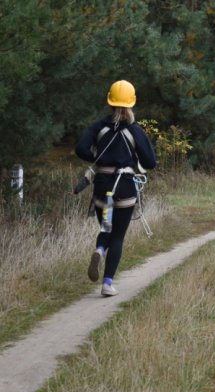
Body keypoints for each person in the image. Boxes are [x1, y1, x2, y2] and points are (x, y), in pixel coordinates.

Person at [75, 80, 156, 296]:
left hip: (102, 187)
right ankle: (107, 283)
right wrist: (133, 161)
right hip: (125, 187)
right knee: (118, 236)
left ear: (110, 101)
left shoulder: (98, 126)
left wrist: (98, 158)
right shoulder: (135, 130)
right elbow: (150, 162)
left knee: (106, 229)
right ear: (131, 103)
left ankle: (100, 250)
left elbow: (80, 148)